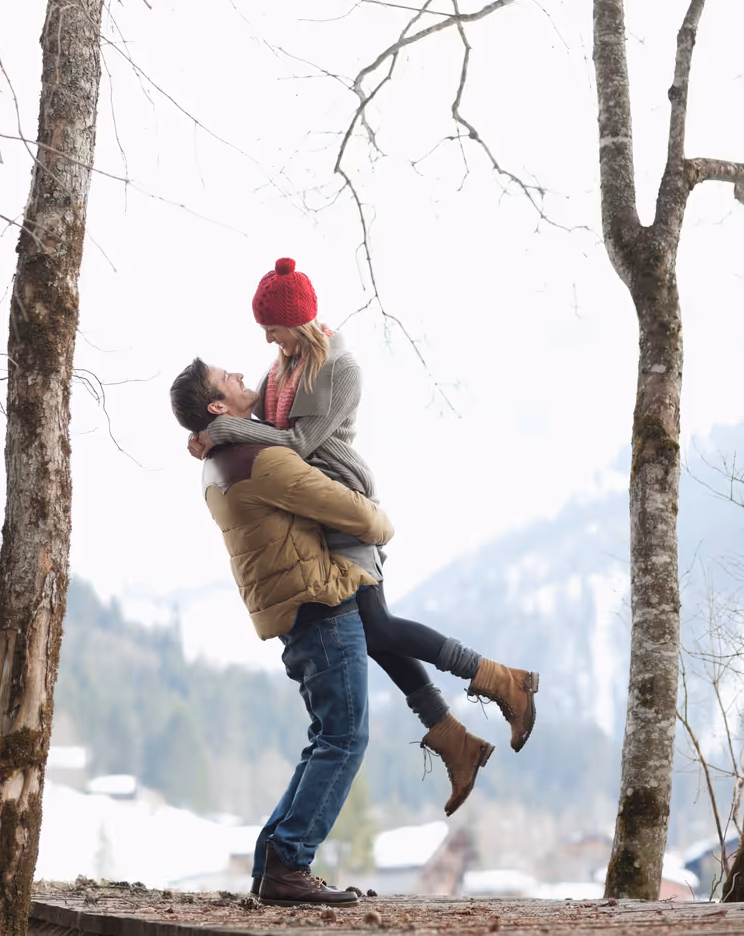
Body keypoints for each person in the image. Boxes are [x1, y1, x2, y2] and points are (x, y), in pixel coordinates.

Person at [187, 258, 539, 815]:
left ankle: (499, 681)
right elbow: (264, 435)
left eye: (272, 328)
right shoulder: (277, 373)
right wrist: (220, 433)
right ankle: (456, 738)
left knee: (379, 627)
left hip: (342, 498)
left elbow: (296, 444)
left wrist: (222, 428)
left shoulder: (340, 369)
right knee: (375, 632)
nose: (267, 339)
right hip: (314, 508)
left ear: (296, 322)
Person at [170, 358, 393, 906]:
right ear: (218, 407)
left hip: (294, 614)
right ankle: (289, 864)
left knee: (327, 736)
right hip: (322, 604)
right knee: (345, 738)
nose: (240, 375)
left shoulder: (219, 462)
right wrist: (384, 521)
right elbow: (363, 518)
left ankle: (272, 861)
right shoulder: (262, 460)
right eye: (228, 378)